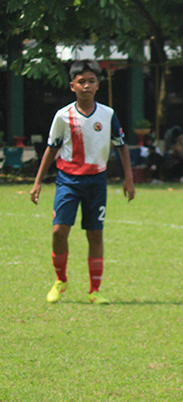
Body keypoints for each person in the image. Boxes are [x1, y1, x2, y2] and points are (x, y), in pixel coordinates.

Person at [30, 59, 135, 305]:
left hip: (96, 182)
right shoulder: (63, 116)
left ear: (98, 85)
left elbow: (122, 147)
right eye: (81, 82)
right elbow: (51, 149)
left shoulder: (107, 115)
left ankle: (95, 290)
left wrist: (128, 179)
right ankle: (60, 280)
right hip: (68, 181)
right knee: (58, 231)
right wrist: (38, 182)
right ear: (72, 86)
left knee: (95, 235)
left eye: (91, 81)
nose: (86, 85)